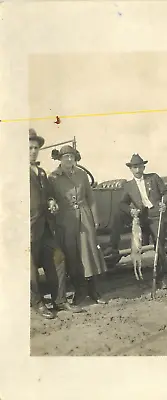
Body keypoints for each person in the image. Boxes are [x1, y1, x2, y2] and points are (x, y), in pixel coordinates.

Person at [29, 129, 83, 319]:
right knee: (30, 269)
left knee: (58, 258)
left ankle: (59, 300)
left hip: (44, 229)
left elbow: (49, 194)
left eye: (36, 148)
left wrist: (51, 201)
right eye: (29, 148)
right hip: (26, 230)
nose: (33, 151)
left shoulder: (42, 172)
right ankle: (38, 304)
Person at [48, 145, 107, 305]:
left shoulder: (81, 175)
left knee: (90, 254)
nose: (69, 159)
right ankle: (80, 292)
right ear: (59, 159)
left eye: (71, 157)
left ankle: (94, 291)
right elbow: (49, 197)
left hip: (85, 218)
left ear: (75, 159)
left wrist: (95, 218)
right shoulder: (53, 177)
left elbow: (90, 197)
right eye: (65, 157)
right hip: (65, 221)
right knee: (72, 257)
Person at [105, 153, 167, 289]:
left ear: (143, 167)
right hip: (140, 217)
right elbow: (122, 203)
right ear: (130, 169)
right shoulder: (128, 186)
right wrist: (131, 211)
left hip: (155, 215)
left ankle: (160, 278)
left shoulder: (154, 178)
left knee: (159, 245)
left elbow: (166, 193)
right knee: (118, 214)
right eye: (134, 167)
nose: (137, 170)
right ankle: (113, 245)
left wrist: (164, 204)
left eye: (139, 167)